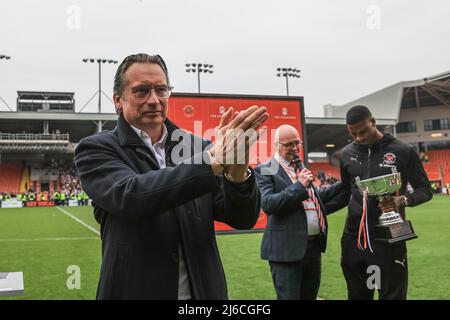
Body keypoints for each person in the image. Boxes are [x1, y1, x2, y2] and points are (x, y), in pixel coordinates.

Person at [74, 53, 268, 300]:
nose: (154, 100)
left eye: (161, 90)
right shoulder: (95, 149)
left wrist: (238, 170)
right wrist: (214, 161)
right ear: (118, 100)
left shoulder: (198, 147)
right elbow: (131, 196)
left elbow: (242, 218)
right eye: (141, 91)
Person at [325, 105, 433, 300]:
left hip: (389, 237)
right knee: (358, 296)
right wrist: (318, 211)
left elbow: (425, 189)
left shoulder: (403, 151)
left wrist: (403, 200)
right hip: (354, 238)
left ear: (373, 122)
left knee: (391, 296)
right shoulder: (347, 154)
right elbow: (345, 192)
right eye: (353, 133)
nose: (359, 137)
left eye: (363, 131)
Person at [254, 125, 342, 300]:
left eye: (297, 143)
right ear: (276, 145)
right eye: (288, 144)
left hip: (313, 247)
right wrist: (299, 185)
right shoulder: (266, 168)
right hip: (286, 251)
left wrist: (343, 183)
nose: (294, 148)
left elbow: (316, 199)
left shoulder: (299, 166)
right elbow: (268, 204)